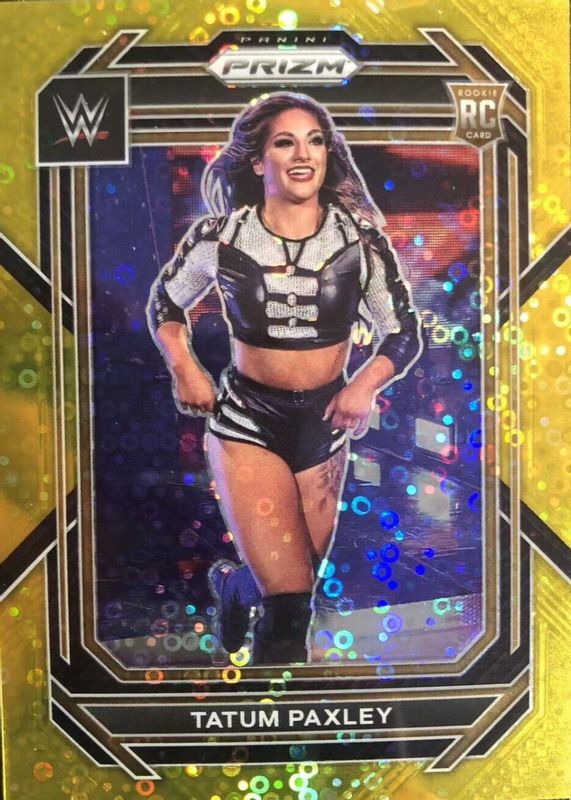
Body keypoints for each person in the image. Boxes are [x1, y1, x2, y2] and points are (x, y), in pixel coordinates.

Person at [147, 92, 422, 666]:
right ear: (257, 160)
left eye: (315, 141)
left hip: (324, 426)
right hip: (248, 421)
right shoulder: (221, 237)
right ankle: (269, 714)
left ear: (327, 154)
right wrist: (185, 367)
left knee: (288, 580)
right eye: (285, 142)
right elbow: (166, 305)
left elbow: (403, 332)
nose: (303, 154)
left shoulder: (359, 241)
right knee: (292, 607)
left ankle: (234, 586)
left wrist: (363, 385)